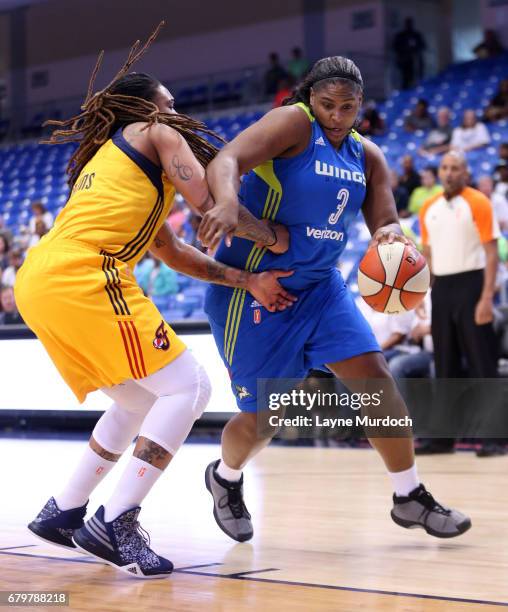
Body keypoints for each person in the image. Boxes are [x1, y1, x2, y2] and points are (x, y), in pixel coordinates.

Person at [14, 25, 296, 580]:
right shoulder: (154, 132)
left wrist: (247, 280)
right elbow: (211, 204)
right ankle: (115, 521)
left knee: (140, 400)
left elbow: (172, 251)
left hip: (41, 279)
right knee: (190, 386)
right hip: (84, 275)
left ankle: (65, 510)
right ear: (145, 109)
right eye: (168, 103)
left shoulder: (116, 163)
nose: (176, 111)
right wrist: (271, 237)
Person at [200, 56, 471, 543]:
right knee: (268, 417)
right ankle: (225, 476)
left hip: (322, 286)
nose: (338, 115)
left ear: (361, 105)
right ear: (311, 99)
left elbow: (385, 218)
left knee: (375, 378)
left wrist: (392, 240)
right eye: (328, 105)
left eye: (348, 107)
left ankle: (408, 494)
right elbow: (226, 160)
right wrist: (228, 204)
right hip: (259, 285)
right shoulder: (292, 123)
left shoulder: (367, 155)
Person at [418, 151, 503, 457]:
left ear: (465, 172)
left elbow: (492, 254)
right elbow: (426, 256)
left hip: (472, 284)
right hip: (442, 288)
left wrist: (486, 298)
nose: (449, 173)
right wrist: (420, 295)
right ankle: (443, 439)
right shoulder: (428, 207)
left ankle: (496, 438)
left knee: (482, 365)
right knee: (445, 366)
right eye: (444, 167)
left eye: (455, 168)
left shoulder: (478, 201)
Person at [392, 17, 426, 89]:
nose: (409, 25)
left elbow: (423, 46)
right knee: (405, 80)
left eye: (410, 23)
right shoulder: (401, 36)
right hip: (404, 63)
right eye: (407, 23)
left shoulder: (416, 35)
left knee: (416, 79)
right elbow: (395, 47)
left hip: (416, 63)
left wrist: (414, 50)